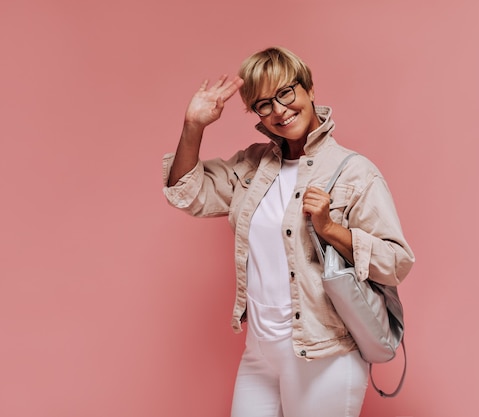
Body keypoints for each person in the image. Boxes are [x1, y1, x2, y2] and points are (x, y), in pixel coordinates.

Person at [162, 46, 414, 417]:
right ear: (256, 114)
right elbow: (187, 192)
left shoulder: (354, 172)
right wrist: (193, 127)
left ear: (309, 89)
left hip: (323, 352)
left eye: (285, 93)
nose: (279, 109)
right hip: (260, 350)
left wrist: (329, 229)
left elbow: (396, 263)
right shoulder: (252, 166)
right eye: (264, 103)